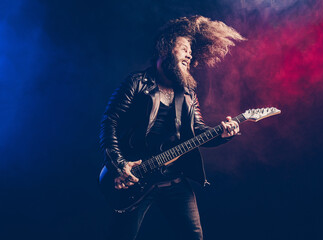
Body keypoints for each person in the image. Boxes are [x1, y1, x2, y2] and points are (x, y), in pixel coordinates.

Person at [99, 15, 245, 240]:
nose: (190, 54)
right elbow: (110, 122)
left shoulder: (188, 93)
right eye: (185, 48)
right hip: (135, 179)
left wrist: (223, 134)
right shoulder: (136, 83)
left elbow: (198, 130)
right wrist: (119, 164)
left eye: (191, 51)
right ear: (165, 48)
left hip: (175, 182)